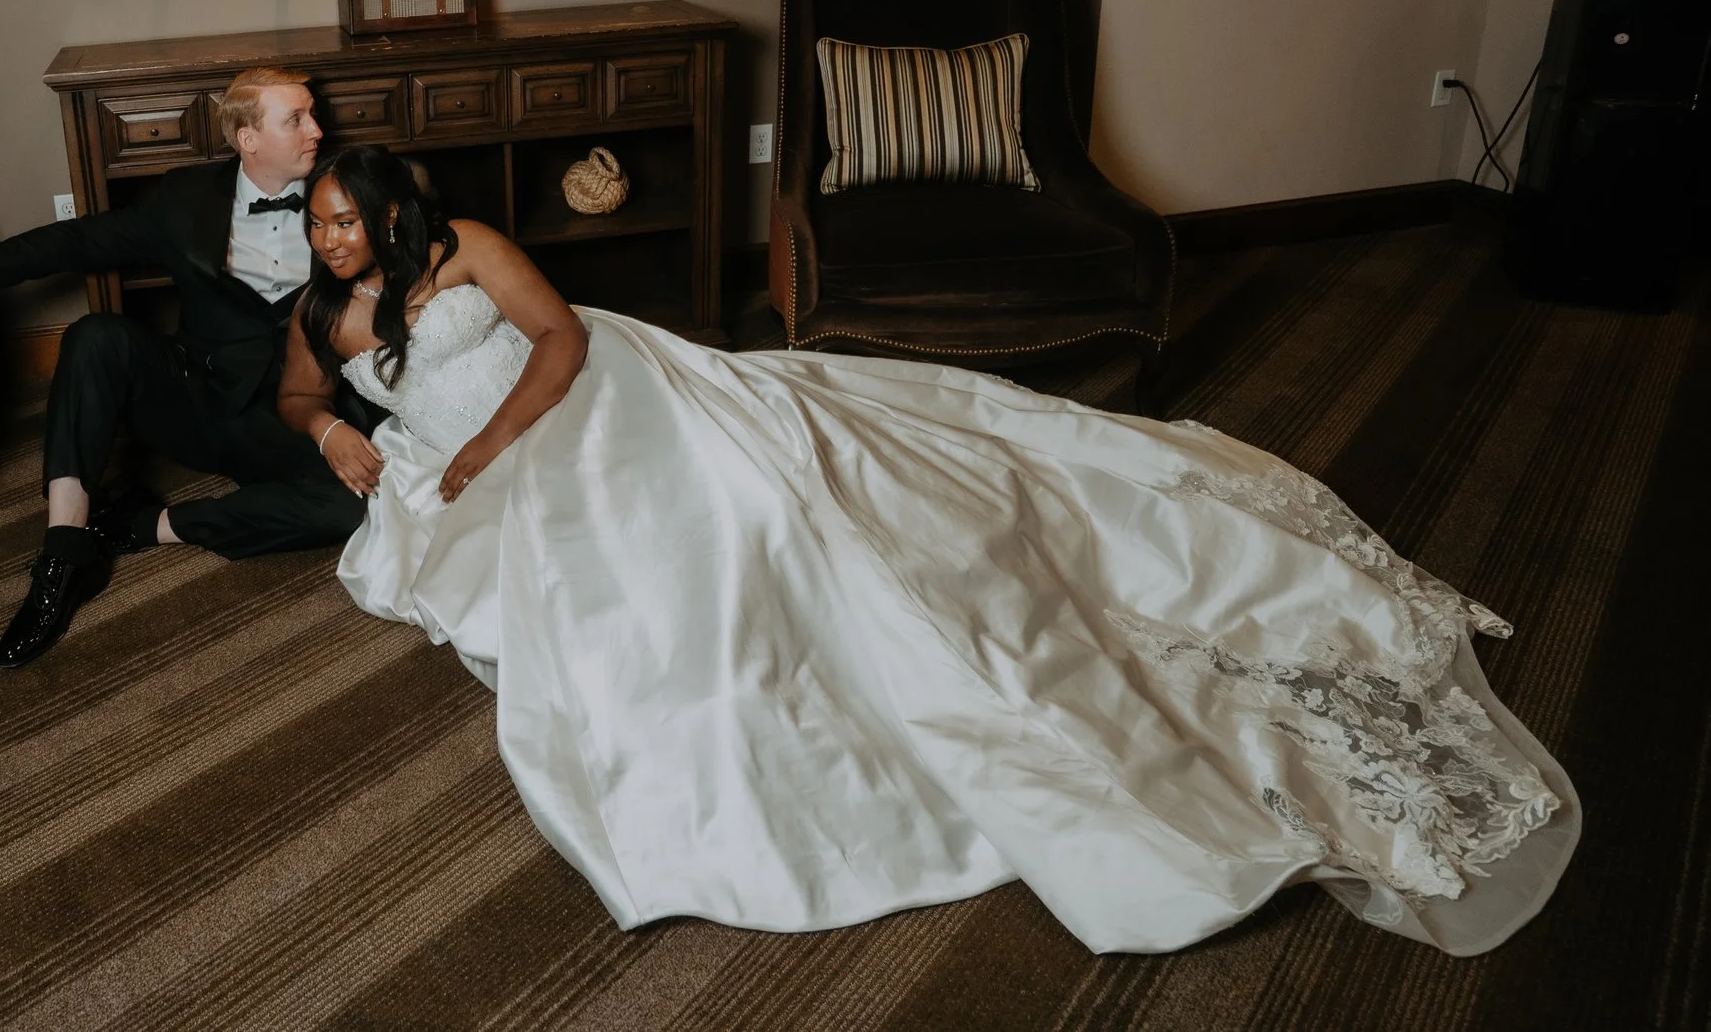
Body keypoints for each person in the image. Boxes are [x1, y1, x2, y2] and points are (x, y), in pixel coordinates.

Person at [280, 144, 1581, 957]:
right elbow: (295, 395)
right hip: (455, 476)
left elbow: (561, 344)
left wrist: (489, 445)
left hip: (576, 407)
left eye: (347, 220)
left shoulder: (471, 252)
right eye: (320, 224)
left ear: (396, 210)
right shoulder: (314, 306)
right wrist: (338, 429)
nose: (332, 240)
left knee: (766, 517)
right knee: (558, 609)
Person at [0, 66, 366, 669]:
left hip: (291, 413)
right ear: (248, 138)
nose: (316, 128)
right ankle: (64, 550)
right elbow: (79, 241)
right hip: (195, 398)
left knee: (353, 507)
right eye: (297, 118)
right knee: (97, 336)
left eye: (312, 113)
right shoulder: (185, 198)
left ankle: (143, 525)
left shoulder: (347, 195)